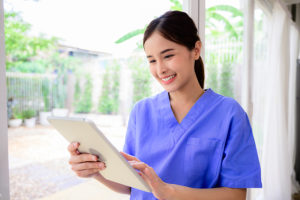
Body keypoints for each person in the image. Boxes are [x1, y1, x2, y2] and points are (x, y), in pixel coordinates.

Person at [68, 10, 262, 200]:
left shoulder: (229, 114)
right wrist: (94, 172)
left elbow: (236, 195)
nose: (160, 69)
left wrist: (170, 193)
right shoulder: (141, 111)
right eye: (152, 60)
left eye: (168, 56)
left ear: (195, 50)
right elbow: (132, 185)